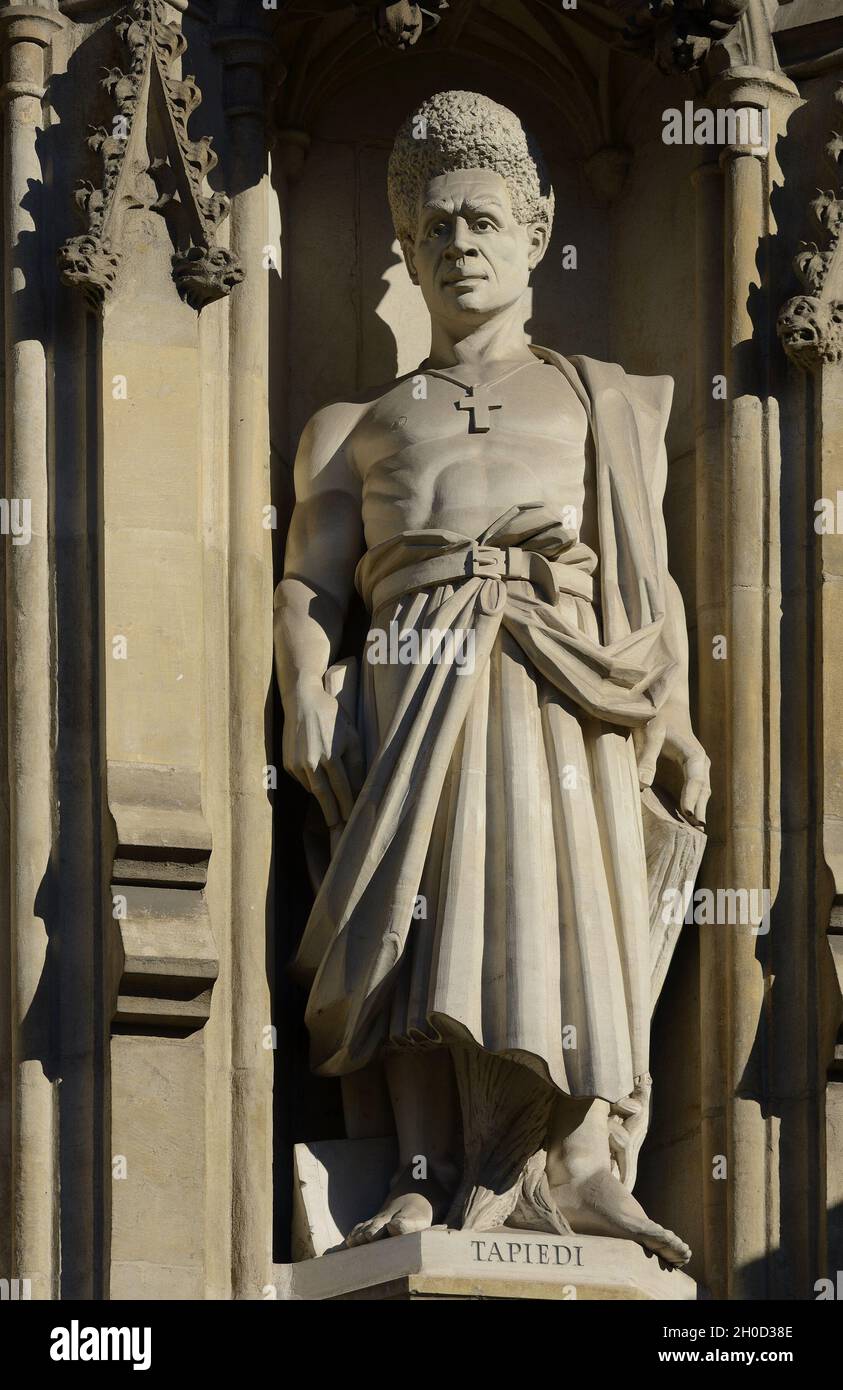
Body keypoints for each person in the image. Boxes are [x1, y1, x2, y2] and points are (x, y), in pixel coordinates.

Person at [274, 90, 709, 1264]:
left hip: (565, 687)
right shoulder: (352, 426)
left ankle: (579, 1165)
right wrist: (307, 684)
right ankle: (420, 1177)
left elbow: (645, 584)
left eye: (482, 218)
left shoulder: (604, 399)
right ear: (406, 253)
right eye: (435, 227)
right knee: (412, 923)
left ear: (536, 228)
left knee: (570, 912)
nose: (459, 242)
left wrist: (669, 711)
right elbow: (311, 581)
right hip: (409, 684)